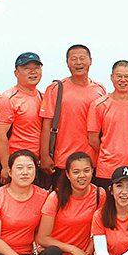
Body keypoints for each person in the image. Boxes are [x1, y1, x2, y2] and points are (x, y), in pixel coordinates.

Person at [36, 151, 103, 255]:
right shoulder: (56, 197)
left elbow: (100, 230)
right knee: (51, 253)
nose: (82, 176)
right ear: (67, 174)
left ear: (92, 171)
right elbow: (42, 238)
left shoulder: (99, 195)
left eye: (86, 170)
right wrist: (73, 249)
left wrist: (87, 253)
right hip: (57, 254)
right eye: (76, 172)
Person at [39, 44, 107, 173]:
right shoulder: (55, 88)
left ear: (90, 61)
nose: (78, 62)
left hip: (92, 161)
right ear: (67, 63)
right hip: (63, 160)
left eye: (82, 58)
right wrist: (44, 156)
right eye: (73, 59)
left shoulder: (100, 89)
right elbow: (46, 125)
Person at [0, 52, 45, 186]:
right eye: (27, 68)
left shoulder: (42, 97)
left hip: (35, 164)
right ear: (16, 73)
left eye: (36, 68)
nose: (33, 72)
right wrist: (5, 166)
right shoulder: (8, 99)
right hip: (15, 165)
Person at [88, 61, 128, 189]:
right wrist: (109, 152)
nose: (123, 80)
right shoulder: (99, 105)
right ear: (112, 77)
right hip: (107, 168)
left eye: (127, 76)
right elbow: (93, 139)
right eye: (119, 76)